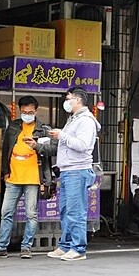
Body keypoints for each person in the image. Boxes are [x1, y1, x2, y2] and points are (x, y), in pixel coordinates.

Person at [0, 95, 55, 259]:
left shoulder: (44, 129)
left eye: (30, 111)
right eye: (24, 111)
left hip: (34, 178)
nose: (27, 114)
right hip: (13, 177)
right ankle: (1, 247)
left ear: (36, 111)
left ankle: (26, 247)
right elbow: (5, 149)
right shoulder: (14, 126)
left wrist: (37, 146)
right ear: (20, 111)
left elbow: (54, 150)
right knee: (6, 212)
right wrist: (5, 172)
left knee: (31, 214)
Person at [45, 87, 100, 261]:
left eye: (68, 98)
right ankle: (66, 245)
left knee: (75, 211)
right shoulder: (73, 119)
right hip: (68, 170)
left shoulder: (86, 121)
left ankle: (78, 248)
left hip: (77, 170)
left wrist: (62, 136)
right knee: (66, 210)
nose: (66, 102)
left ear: (77, 100)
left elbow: (82, 144)